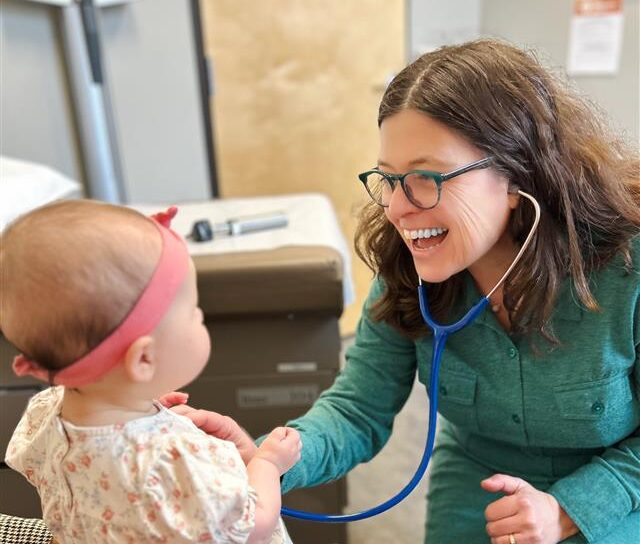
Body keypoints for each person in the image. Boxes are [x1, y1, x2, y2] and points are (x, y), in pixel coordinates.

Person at [176, 39, 640, 543]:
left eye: (425, 177)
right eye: (389, 179)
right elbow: (357, 410)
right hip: (479, 481)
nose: (397, 209)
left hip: (616, 485)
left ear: (515, 175)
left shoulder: (627, 267)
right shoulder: (408, 274)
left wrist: (567, 510)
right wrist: (268, 459)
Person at [1, 200, 301, 544]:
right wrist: (268, 464)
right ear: (143, 359)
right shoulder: (170, 460)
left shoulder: (46, 413)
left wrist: (140, 406)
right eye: (193, 311)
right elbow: (252, 526)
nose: (201, 317)